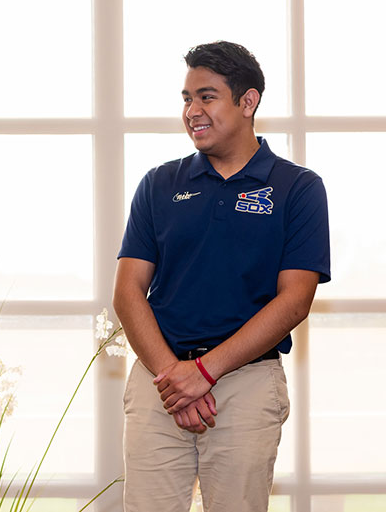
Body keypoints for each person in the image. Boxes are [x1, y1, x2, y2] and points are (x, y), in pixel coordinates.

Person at [113, 41, 330, 512]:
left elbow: (294, 301)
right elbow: (128, 292)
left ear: (247, 101)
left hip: (247, 386)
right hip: (161, 384)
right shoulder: (158, 184)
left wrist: (206, 372)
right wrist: (178, 377)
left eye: (206, 96)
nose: (192, 110)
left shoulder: (298, 188)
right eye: (186, 98)